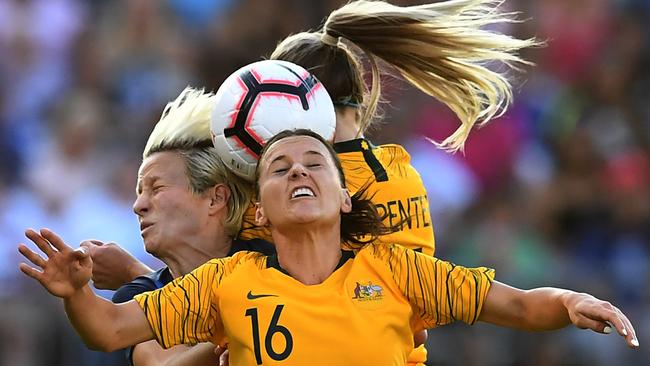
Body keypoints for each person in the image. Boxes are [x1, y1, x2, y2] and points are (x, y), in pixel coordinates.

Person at [18, 128, 639, 366]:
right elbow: (110, 330)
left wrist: (568, 301)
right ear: (257, 207)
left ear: (344, 198)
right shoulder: (229, 283)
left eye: (314, 164)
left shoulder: (395, 269)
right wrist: (76, 292)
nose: (298, 174)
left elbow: (518, 305)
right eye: (280, 167)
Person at [87, 86, 274, 366]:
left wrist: (131, 271)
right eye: (139, 192)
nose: (138, 206)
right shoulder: (137, 294)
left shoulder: (270, 261)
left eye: (156, 188)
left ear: (215, 198)